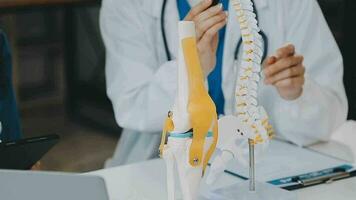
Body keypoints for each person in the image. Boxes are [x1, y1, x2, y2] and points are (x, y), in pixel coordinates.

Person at [100, 0, 348, 167]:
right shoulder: (126, 4)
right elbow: (131, 106)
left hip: (266, 166)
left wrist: (296, 94)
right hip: (159, 166)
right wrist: (189, 69)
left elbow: (329, 116)